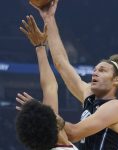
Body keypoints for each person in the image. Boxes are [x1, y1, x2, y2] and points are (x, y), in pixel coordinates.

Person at [29, 1, 118, 149]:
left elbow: (74, 134)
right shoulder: (89, 96)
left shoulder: (117, 107)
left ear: (116, 80)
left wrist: (43, 113)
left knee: (57, 139)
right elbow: (61, 63)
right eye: (95, 69)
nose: (95, 72)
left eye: (102, 70)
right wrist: (49, 18)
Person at [16, 15, 78, 150]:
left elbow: (50, 87)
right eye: (47, 116)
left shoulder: (58, 138)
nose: (51, 113)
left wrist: (40, 47)